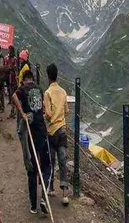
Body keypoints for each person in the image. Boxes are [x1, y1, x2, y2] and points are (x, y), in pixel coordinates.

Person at [12, 70, 51, 215]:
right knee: (46, 166)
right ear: (33, 79)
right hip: (42, 131)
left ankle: (34, 206)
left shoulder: (22, 89)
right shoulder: (40, 89)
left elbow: (14, 96)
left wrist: (22, 112)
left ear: (23, 80)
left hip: (30, 133)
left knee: (32, 169)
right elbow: (44, 108)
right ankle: (43, 199)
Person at [44, 63, 69, 205]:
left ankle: (51, 188)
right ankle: (65, 194)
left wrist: (47, 117)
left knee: (51, 161)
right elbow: (66, 111)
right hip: (62, 130)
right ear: (57, 75)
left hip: (52, 131)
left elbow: (48, 113)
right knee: (63, 160)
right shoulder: (63, 92)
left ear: (48, 76)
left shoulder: (48, 93)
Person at [5, 46, 19, 119]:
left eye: (9, 50)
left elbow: (16, 69)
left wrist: (11, 67)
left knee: (13, 95)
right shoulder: (8, 58)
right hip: (8, 79)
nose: (8, 52)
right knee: (11, 95)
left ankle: (14, 112)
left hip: (13, 79)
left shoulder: (14, 59)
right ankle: (12, 111)